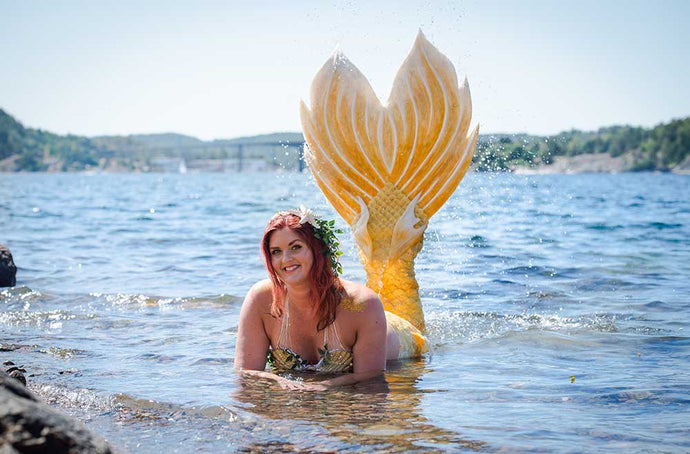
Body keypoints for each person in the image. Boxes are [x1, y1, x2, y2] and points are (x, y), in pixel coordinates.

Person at [234, 206, 412, 391]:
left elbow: (371, 378)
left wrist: (324, 386)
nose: (285, 259)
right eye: (276, 251)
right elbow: (245, 372)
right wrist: (279, 382)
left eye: (296, 247)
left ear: (317, 249)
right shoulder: (260, 299)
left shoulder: (364, 305)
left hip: (398, 338)